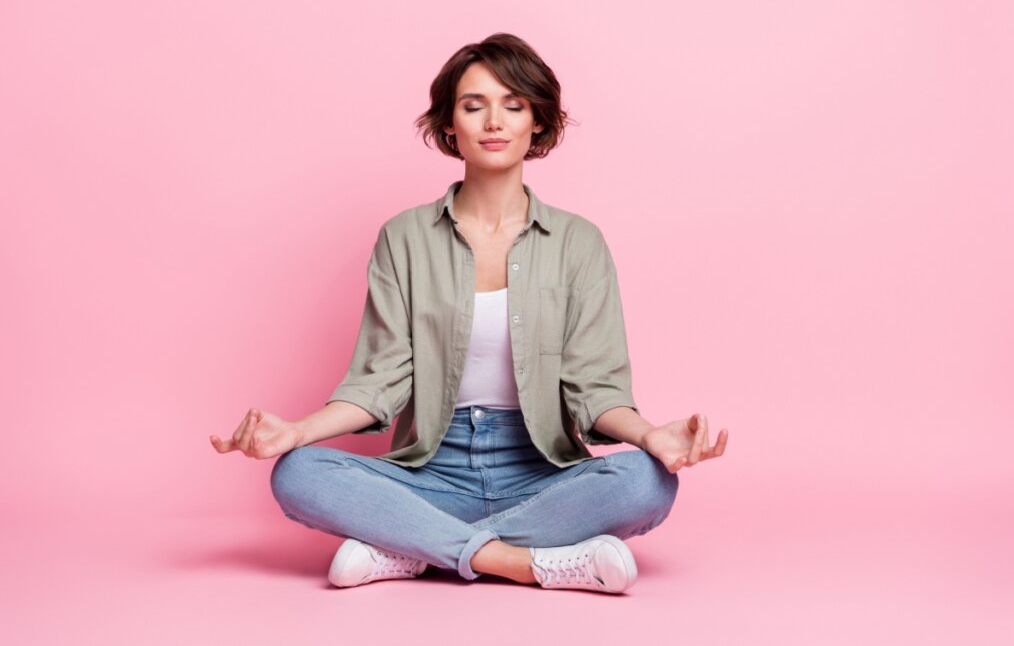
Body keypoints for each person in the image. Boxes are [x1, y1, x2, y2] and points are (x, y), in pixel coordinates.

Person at [210, 33, 728, 594]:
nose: (493, 121)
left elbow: (596, 390)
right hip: (432, 469)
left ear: (538, 122)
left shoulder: (580, 243)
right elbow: (376, 384)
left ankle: (409, 547)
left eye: (514, 104)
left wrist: (652, 436)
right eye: (473, 105)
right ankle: (527, 561)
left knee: (647, 482)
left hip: (541, 473)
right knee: (298, 473)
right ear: (450, 124)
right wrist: (297, 430)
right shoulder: (404, 237)